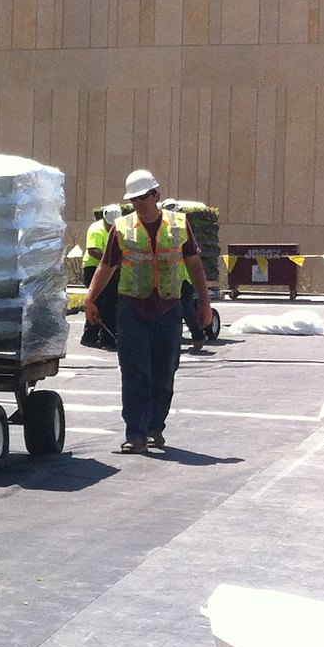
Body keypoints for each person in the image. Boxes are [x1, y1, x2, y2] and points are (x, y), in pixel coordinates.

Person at [83, 169, 211, 454]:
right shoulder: (123, 227)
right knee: (134, 372)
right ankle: (136, 434)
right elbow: (106, 266)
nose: (139, 203)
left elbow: (194, 264)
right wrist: (90, 300)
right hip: (132, 307)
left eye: (143, 197)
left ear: (156, 195)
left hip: (168, 307)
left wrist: (205, 303)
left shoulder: (179, 225)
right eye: (134, 199)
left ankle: (155, 427)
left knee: (165, 371)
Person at [79, 204, 122, 351]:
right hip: (94, 268)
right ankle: (89, 337)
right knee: (98, 303)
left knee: (112, 303)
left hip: (112, 268)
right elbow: (93, 251)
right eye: (109, 224)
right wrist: (111, 259)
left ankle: (107, 338)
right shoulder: (96, 229)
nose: (111, 226)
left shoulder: (119, 228)